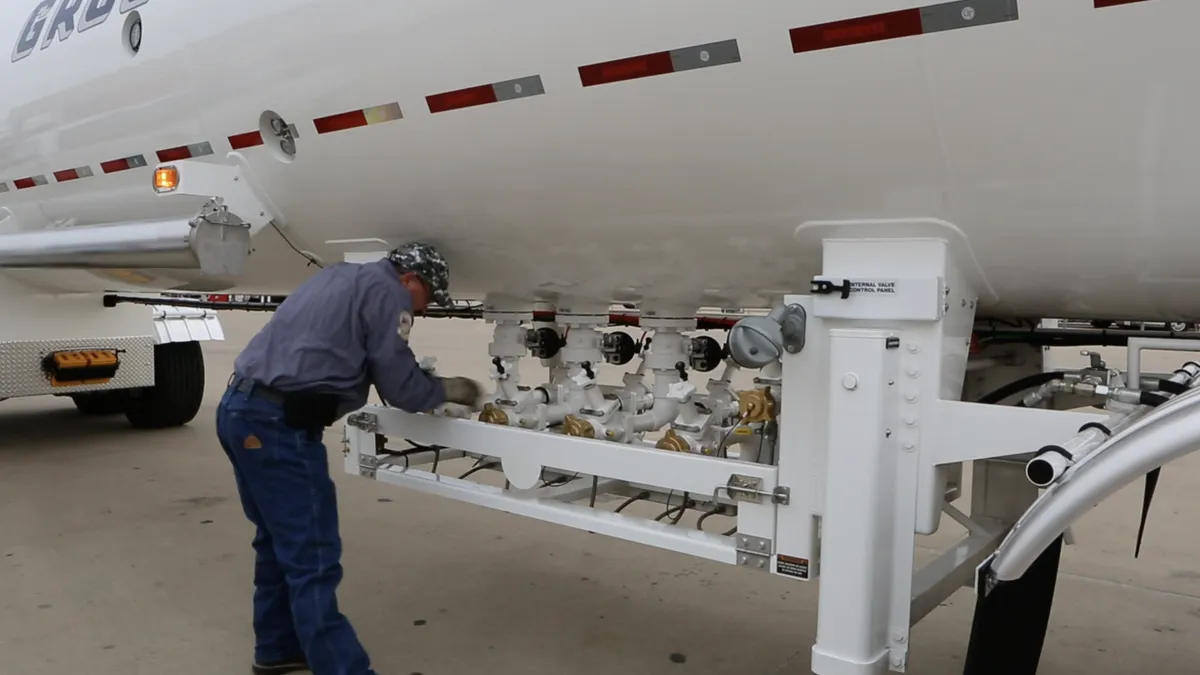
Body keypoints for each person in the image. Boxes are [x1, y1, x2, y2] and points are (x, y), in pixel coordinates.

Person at [214, 241, 481, 675]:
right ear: (410, 279)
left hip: (242, 411)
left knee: (276, 541)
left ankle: (278, 648)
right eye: (428, 297)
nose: (426, 309)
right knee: (312, 554)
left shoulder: (341, 275)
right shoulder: (388, 294)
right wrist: (445, 390)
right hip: (278, 425)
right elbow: (399, 383)